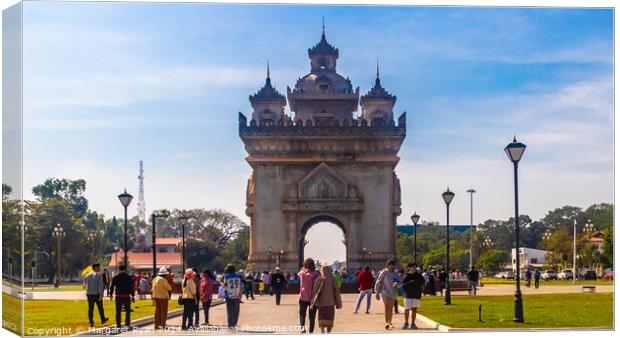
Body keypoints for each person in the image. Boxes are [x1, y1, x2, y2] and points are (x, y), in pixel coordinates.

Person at [311, 265, 342, 333]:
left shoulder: (319, 279)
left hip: (321, 304)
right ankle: (328, 333)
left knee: (321, 318)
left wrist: (313, 302)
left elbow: (314, 291)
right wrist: (339, 303)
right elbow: (337, 291)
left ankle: (322, 331)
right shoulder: (332, 279)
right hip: (330, 304)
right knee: (330, 320)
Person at [374, 259, 402, 330]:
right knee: (387, 307)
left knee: (391, 308)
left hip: (393, 292)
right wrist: (377, 292)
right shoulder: (384, 272)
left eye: (393, 265)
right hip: (385, 292)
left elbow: (400, 284)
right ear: (387, 265)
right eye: (390, 265)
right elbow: (378, 282)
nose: (392, 266)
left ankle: (390, 322)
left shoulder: (396, 273)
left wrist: (397, 284)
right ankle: (387, 323)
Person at [83, 263, 109, 328]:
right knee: (100, 308)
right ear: (95, 268)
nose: (100, 269)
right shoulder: (99, 275)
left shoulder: (87, 275)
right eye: (99, 267)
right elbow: (100, 285)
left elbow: (84, 285)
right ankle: (103, 319)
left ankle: (91, 322)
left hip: (89, 294)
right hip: (97, 294)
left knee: (90, 309)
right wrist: (101, 295)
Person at [298, 258, 320, 333]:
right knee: (312, 317)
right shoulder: (316, 274)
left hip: (303, 298)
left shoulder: (302, 273)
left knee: (302, 315)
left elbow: (299, 273)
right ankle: (311, 332)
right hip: (313, 299)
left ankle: (302, 330)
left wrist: (303, 269)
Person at [109, 264, 134, 329]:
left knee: (118, 310)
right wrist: (133, 295)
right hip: (126, 296)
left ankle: (118, 324)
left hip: (118, 296)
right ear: (125, 269)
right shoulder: (128, 277)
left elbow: (112, 286)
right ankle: (127, 323)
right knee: (128, 310)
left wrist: (111, 294)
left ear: (119, 269)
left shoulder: (115, 277)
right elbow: (131, 287)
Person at [401, 264, 425, 329]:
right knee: (407, 309)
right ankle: (406, 322)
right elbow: (403, 284)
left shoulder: (419, 276)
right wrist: (410, 282)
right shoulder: (406, 276)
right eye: (413, 267)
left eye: (415, 267)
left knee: (414, 309)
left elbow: (423, 282)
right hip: (408, 295)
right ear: (409, 268)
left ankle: (413, 323)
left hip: (416, 295)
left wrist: (422, 290)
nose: (414, 268)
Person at [223, 264, 243, 329]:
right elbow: (241, 286)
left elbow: (225, 286)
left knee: (230, 311)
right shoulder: (238, 276)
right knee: (236, 311)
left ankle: (231, 325)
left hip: (229, 296)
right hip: (236, 295)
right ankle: (234, 323)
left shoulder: (226, 276)